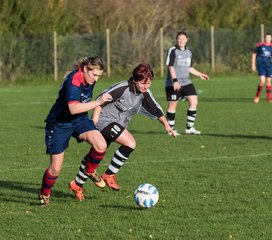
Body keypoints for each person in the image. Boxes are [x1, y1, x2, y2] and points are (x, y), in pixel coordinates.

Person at [68, 63, 177, 199]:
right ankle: (109, 174)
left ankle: (77, 185)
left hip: (117, 124)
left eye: (149, 83)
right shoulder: (122, 88)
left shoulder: (144, 93)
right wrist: (94, 122)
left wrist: (166, 124)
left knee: (94, 155)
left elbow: (155, 109)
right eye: (143, 83)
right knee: (130, 143)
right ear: (135, 80)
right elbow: (100, 100)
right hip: (103, 121)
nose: (146, 86)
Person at [39, 56, 113, 206]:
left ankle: (89, 170)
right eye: (94, 75)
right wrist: (98, 103)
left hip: (79, 120)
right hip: (60, 124)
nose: (96, 79)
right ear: (85, 69)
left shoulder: (88, 77)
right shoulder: (74, 81)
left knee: (101, 145)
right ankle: (44, 194)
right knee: (55, 169)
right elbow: (73, 108)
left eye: (99, 76)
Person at [165, 31, 209, 135]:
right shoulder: (173, 50)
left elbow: (189, 68)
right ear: (177, 39)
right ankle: (171, 130)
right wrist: (175, 81)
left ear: (187, 39)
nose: (181, 41)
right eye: (179, 39)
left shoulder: (189, 52)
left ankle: (190, 128)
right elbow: (170, 66)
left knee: (194, 101)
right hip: (173, 83)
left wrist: (200, 74)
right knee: (172, 105)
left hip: (186, 82)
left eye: (183, 39)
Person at [252, 33, 272, 103]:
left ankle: (269, 99)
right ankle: (257, 96)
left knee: (268, 82)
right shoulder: (260, 45)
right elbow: (254, 54)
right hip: (261, 65)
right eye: (267, 38)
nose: (268, 39)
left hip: (269, 66)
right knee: (262, 82)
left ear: (271, 39)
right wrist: (253, 65)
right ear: (264, 38)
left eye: (269, 38)